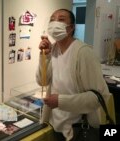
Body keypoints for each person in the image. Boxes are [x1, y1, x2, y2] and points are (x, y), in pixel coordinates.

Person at [36, 9, 111, 141]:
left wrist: (60, 101)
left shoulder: (84, 53)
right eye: (52, 19)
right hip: (56, 124)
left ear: (71, 28)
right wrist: (45, 56)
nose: (55, 23)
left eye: (61, 19)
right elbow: (42, 82)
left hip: (79, 128)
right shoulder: (53, 50)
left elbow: (98, 97)